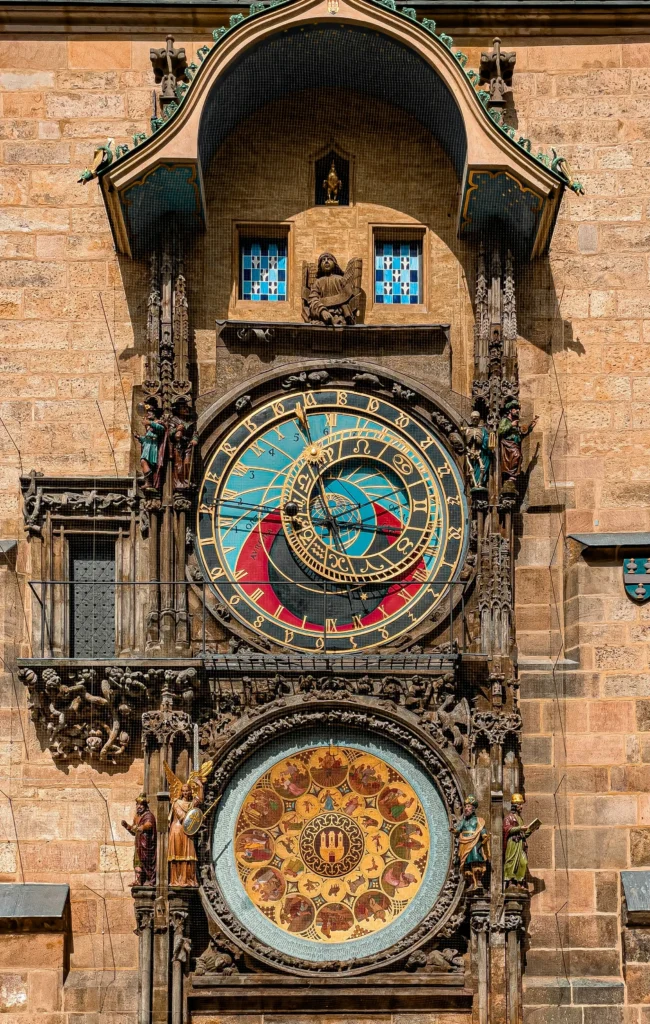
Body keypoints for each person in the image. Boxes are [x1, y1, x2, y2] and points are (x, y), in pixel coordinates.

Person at [307, 253, 360, 325]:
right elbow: (313, 299)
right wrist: (322, 311)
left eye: (329, 259)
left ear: (334, 264)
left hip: (340, 316)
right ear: (320, 266)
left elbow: (349, 297)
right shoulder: (318, 282)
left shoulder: (341, 280)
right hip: (322, 317)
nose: (326, 261)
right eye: (323, 260)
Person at [168, 779, 203, 887]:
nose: (186, 793)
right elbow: (183, 817)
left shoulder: (191, 804)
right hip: (178, 831)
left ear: (191, 791)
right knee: (178, 855)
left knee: (189, 855)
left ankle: (188, 879)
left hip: (188, 832)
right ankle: (177, 880)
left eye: (187, 790)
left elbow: (199, 799)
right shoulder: (176, 803)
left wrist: (200, 786)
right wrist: (196, 817)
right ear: (181, 792)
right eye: (183, 791)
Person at [451, 795, 490, 891]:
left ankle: (478, 881)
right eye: (466, 807)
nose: (466, 809)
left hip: (475, 843)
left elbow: (482, 829)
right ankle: (471, 883)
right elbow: (458, 830)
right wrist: (454, 831)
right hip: (464, 843)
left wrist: (484, 835)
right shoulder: (463, 821)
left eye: (468, 807)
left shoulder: (478, 820)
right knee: (466, 864)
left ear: (473, 809)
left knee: (476, 861)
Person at [498, 400, 538, 492]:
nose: (517, 411)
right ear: (510, 410)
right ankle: (509, 476)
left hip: (514, 444)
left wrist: (531, 427)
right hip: (507, 444)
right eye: (515, 409)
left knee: (518, 457)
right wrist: (511, 425)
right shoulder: (505, 420)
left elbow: (521, 433)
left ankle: (512, 476)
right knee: (517, 455)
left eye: (517, 409)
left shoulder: (515, 422)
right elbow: (500, 431)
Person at [503, 793, 538, 889]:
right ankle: (511, 882)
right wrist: (520, 828)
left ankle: (519, 881)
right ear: (514, 805)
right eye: (519, 804)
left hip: (520, 843)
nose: (521, 806)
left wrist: (532, 829)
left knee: (523, 862)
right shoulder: (509, 817)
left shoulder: (520, 819)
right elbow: (507, 829)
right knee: (511, 862)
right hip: (513, 843)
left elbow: (523, 834)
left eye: (521, 804)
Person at [122, 793, 157, 886]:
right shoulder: (136, 817)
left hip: (146, 844)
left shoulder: (149, 815)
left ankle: (150, 880)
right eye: (137, 804)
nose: (139, 806)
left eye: (141, 804)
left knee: (146, 861)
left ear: (145, 806)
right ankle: (138, 880)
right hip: (138, 844)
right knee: (137, 861)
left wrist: (143, 827)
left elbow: (149, 825)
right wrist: (127, 826)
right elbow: (134, 831)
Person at [134, 402, 166, 489]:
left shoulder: (157, 422)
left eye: (149, 412)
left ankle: (150, 482)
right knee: (143, 462)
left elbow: (162, 429)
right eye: (147, 412)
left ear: (154, 413)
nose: (147, 414)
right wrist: (139, 437)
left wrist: (150, 423)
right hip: (147, 445)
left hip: (153, 446)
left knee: (144, 462)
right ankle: (148, 482)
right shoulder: (149, 427)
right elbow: (146, 439)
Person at [464, 411, 492, 489]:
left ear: (479, 419)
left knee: (481, 468)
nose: (475, 420)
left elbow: (486, 440)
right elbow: (464, 442)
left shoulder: (483, 430)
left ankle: (480, 482)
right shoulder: (467, 430)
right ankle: (474, 483)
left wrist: (485, 440)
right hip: (470, 452)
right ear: (471, 419)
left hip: (480, 453)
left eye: (477, 418)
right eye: (473, 418)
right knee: (471, 468)